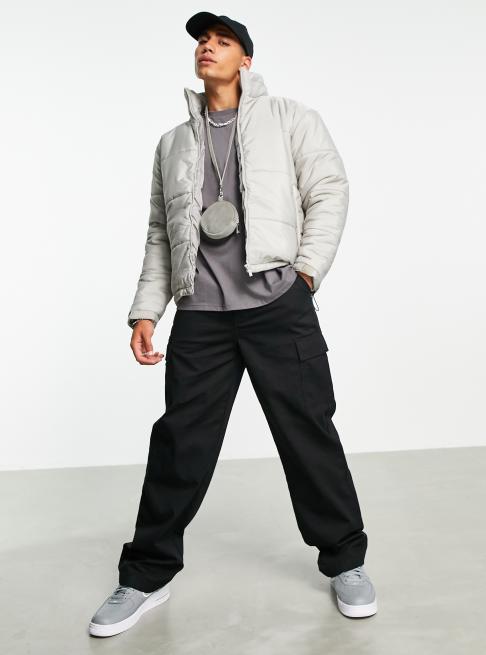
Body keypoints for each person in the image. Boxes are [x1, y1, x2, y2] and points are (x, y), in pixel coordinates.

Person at [89, 11, 377, 638]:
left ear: (246, 59)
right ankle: (145, 576)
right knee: (179, 445)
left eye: (222, 42)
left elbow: (329, 190)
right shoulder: (173, 143)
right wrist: (147, 309)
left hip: (278, 306)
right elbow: (161, 234)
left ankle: (346, 562)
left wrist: (305, 274)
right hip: (201, 315)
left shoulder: (291, 118)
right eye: (201, 41)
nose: (207, 48)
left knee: (308, 434)